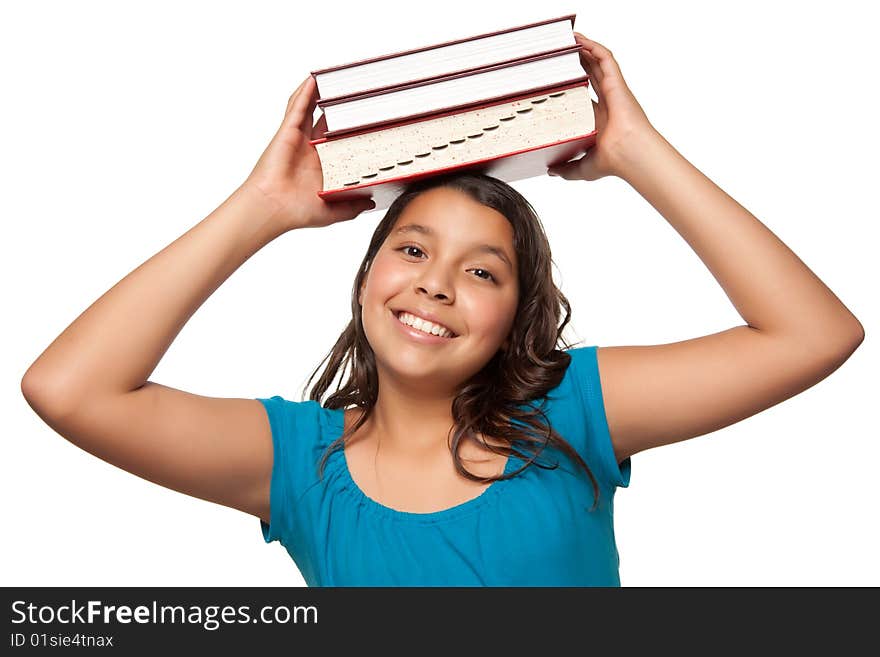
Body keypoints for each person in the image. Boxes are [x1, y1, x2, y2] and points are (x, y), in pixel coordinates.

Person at [20, 34, 864, 586]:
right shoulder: (297, 466)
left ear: (517, 318)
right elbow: (69, 389)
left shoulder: (576, 415)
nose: (435, 284)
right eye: (414, 249)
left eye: (483, 272)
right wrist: (259, 208)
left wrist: (638, 152)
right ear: (367, 276)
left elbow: (815, 333)